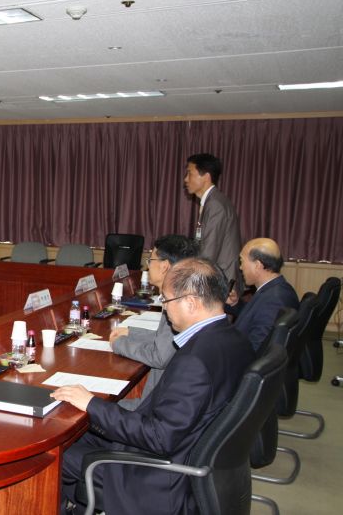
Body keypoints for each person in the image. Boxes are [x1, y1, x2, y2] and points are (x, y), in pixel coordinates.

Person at [54, 258, 254, 515]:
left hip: (159, 477)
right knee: (78, 432)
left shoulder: (195, 361)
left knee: (56, 455)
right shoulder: (236, 340)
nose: (164, 307)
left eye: (166, 300)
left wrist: (91, 403)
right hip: (188, 451)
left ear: (190, 303)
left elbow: (159, 437)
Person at [108, 234, 199, 409]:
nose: (147, 265)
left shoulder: (176, 304)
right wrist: (131, 332)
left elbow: (159, 356)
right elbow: (167, 339)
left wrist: (118, 344)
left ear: (165, 266)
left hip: (154, 408)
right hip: (167, 401)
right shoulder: (185, 295)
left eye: (150, 260)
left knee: (92, 408)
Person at [183, 153, 243, 294]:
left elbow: (209, 253)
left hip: (222, 283)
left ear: (206, 176)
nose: (185, 179)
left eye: (189, 173)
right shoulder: (212, 201)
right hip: (217, 279)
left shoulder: (215, 204)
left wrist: (190, 282)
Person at [227, 237, 299, 352]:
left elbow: (256, 349)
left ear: (257, 265)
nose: (240, 268)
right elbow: (255, 317)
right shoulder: (276, 289)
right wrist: (235, 303)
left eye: (242, 261)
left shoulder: (274, 301)